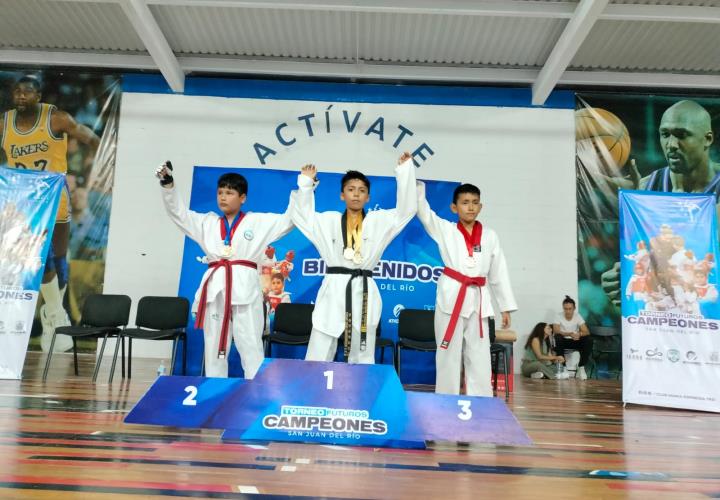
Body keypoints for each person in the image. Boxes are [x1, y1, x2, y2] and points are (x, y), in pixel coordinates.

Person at [155, 162, 294, 378]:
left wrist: (304, 187)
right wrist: (168, 184)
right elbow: (179, 214)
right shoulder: (207, 223)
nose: (223, 197)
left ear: (243, 198)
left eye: (229, 193)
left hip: (245, 291)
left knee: (250, 345)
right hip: (216, 290)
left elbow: (288, 220)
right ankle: (215, 393)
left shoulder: (256, 222)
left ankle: (256, 395)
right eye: (220, 192)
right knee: (213, 348)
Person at [0, 75, 100, 352]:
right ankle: (56, 315)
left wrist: (92, 166)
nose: (21, 96)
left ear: (39, 95)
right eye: (17, 91)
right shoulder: (4, 122)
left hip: (55, 196)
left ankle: (51, 316)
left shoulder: (57, 119)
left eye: (27, 92)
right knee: (38, 260)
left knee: (59, 259)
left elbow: (92, 140)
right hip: (24, 199)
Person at [291, 152, 417, 364]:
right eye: (351, 190)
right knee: (320, 343)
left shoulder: (379, 221)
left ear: (368, 197)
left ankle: (360, 395)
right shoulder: (328, 221)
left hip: (363, 286)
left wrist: (405, 172)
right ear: (342, 195)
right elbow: (302, 217)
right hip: (334, 286)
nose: (356, 195)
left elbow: (406, 210)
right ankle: (310, 394)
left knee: (363, 348)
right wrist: (305, 184)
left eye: (361, 191)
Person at [602, 100, 720, 307]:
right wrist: (624, 275)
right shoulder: (648, 186)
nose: (672, 145)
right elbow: (644, 256)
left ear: (707, 139)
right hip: (666, 320)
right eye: (665, 134)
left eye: (682, 135)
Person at [417, 181, 517, 396]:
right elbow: (424, 213)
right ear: (454, 207)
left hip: (479, 300)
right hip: (451, 298)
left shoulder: (490, 235)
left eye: (474, 203)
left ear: (480, 207)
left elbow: (498, 272)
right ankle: (445, 399)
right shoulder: (445, 229)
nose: (470, 207)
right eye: (465, 203)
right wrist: (411, 178)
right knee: (447, 354)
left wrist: (505, 307)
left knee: (480, 354)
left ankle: (480, 401)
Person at [552, 296, 592, 380]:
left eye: (570, 309)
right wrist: (569, 333)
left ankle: (581, 367)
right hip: (563, 341)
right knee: (558, 337)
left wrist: (579, 334)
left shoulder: (577, 316)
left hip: (575, 340)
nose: (568, 311)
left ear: (574, 308)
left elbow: (586, 331)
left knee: (588, 339)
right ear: (563, 308)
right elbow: (556, 330)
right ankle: (564, 368)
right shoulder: (558, 316)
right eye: (565, 309)